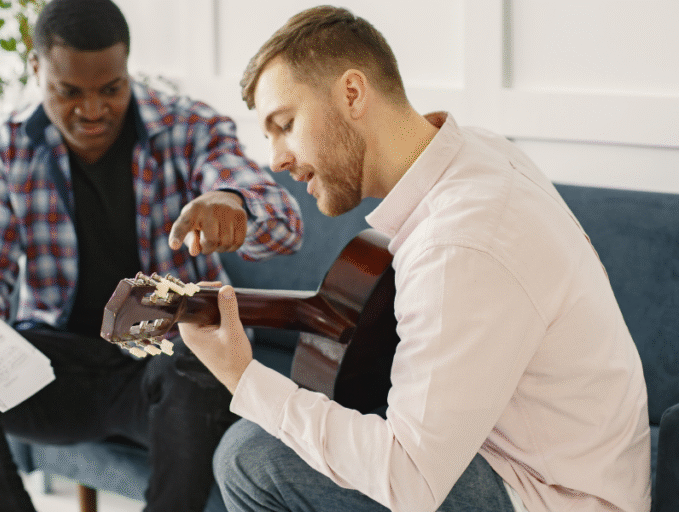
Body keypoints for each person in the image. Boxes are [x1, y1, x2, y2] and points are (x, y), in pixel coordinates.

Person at [177, 6, 651, 512]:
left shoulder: (459, 242)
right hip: (526, 460)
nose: (276, 159)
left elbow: (410, 483)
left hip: (552, 497)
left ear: (353, 94)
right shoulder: (477, 153)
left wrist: (243, 378)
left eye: (286, 124)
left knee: (250, 457)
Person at [0, 0, 302, 511]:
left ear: (126, 70)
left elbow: (284, 226)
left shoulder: (190, 127)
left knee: (194, 363)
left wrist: (233, 203)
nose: (92, 111)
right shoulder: (7, 147)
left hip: (161, 369)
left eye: (110, 89)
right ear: (36, 71)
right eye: (69, 92)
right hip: (54, 370)